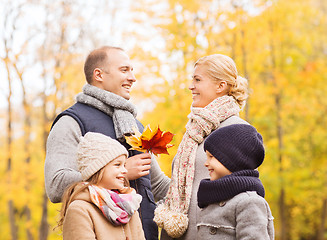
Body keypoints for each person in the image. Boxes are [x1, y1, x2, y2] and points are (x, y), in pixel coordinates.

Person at [45, 46, 170, 240]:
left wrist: (208, 191)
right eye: (124, 70)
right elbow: (56, 185)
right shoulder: (71, 122)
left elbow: (158, 185)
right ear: (99, 75)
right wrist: (120, 171)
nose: (132, 77)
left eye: (132, 70)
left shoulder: (134, 125)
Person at [154, 54, 250, 239]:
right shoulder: (196, 130)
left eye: (198, 80)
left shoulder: (238, 130)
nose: (191, 86)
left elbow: (246, 196)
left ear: (220, 86)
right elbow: (184, 189)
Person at [58, 132, 146, 240]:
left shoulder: (129, 206)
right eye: (117, 165)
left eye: (124, 165)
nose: (124, 171)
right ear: (98, 169)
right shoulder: (79, 210)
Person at [197, 124, 274, 239]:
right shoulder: (213, 198)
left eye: (211, 156)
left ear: (232, 159)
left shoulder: (249, 202)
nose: (206, 163)